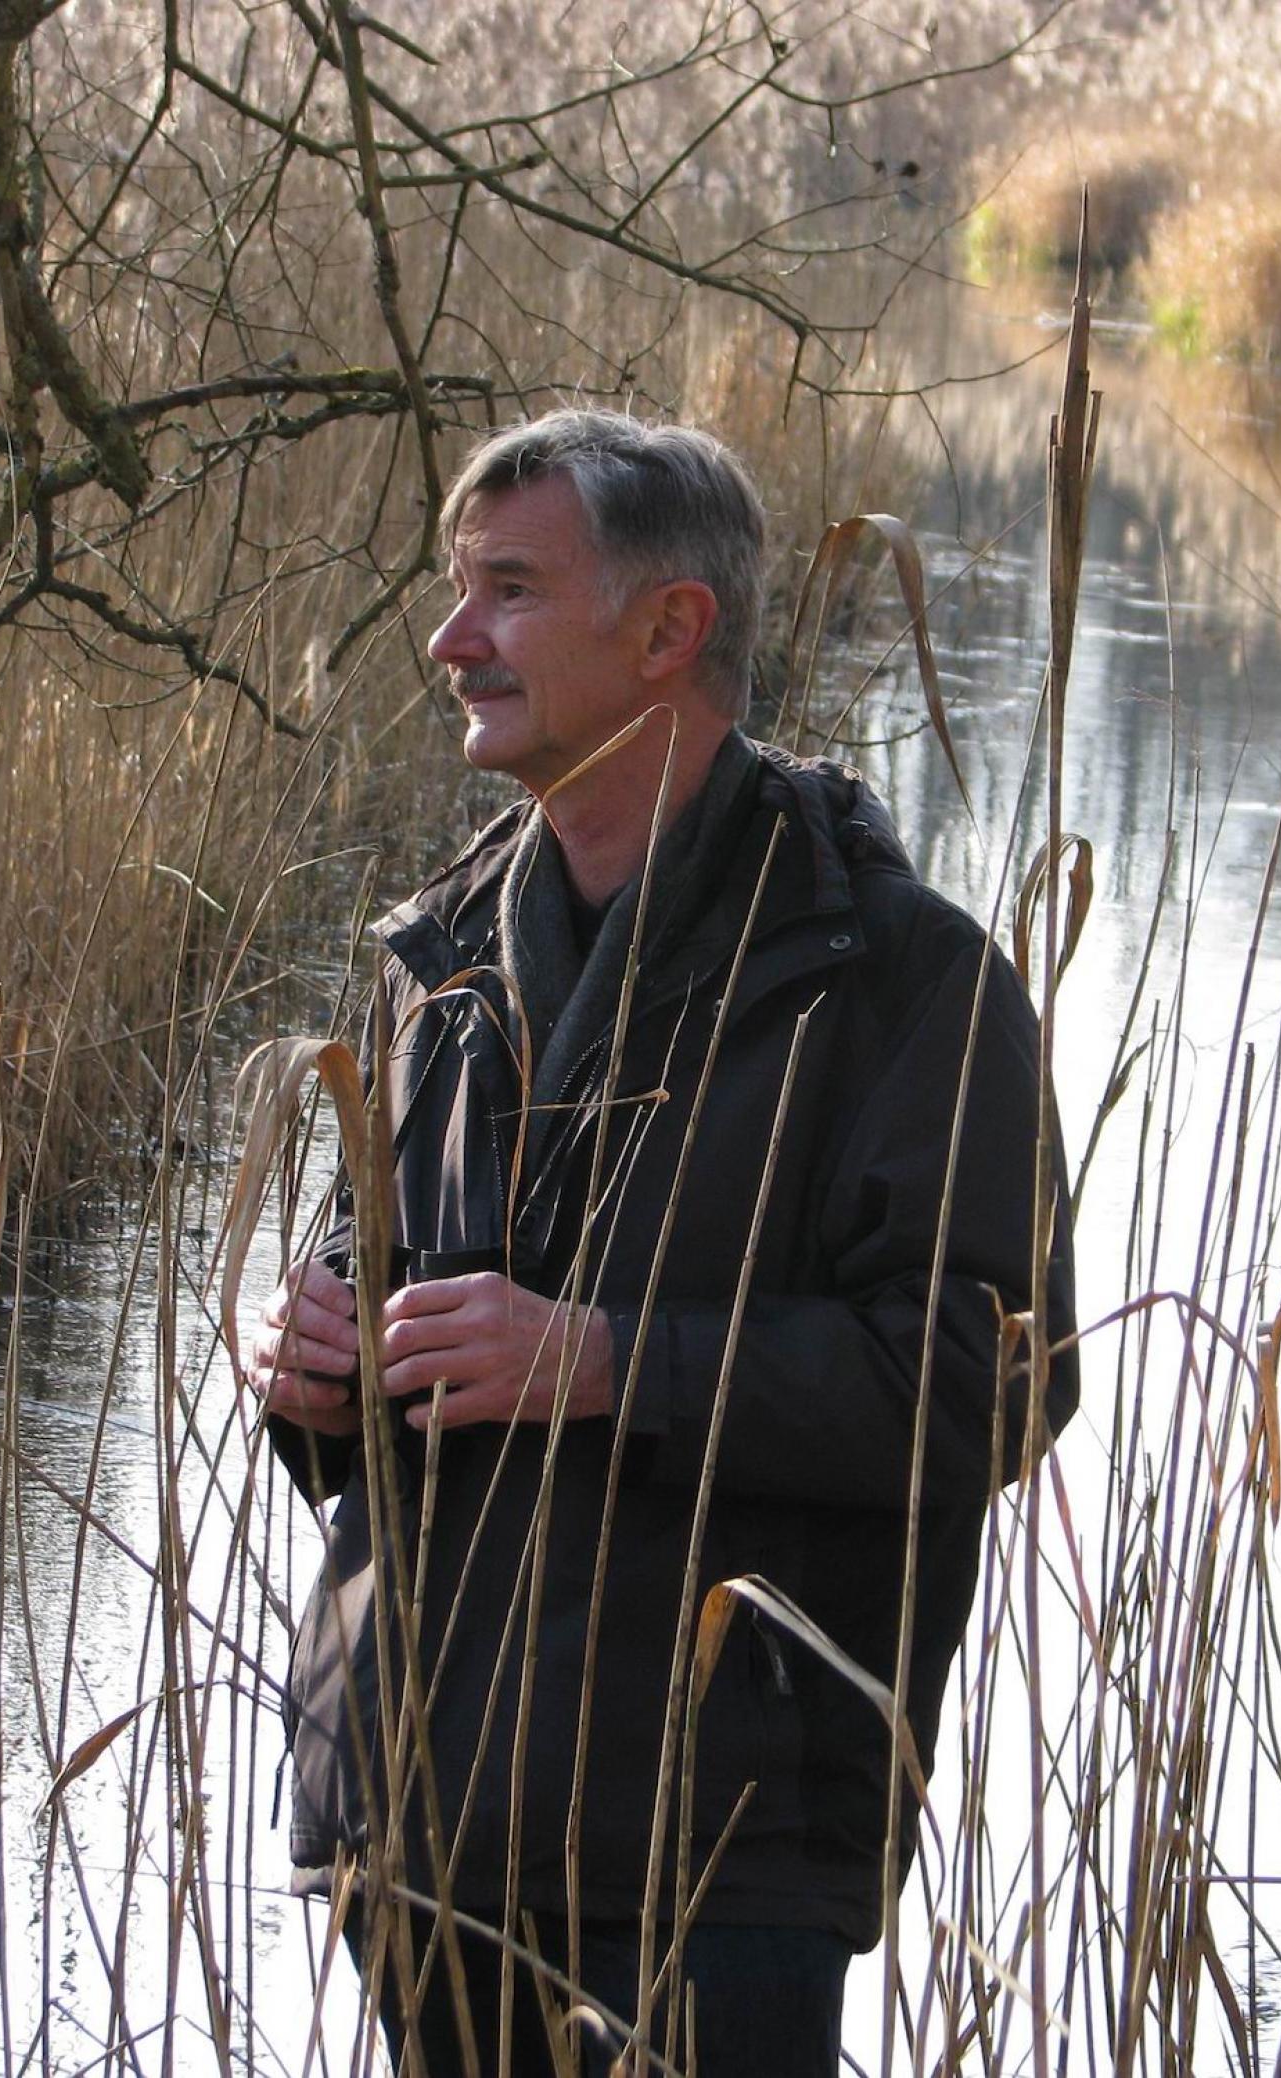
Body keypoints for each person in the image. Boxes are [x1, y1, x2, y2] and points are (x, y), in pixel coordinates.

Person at [246, 408, 1076, 2076]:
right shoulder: (442, 962)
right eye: (453, 587)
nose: (450, 636)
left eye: (506, 590)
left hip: (715, 1859)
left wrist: (607, 1361)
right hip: (423, 1823)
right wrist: (313, 1373)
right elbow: (384, 1326)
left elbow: (985, 1386)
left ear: (670, 629)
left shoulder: (901, 984)